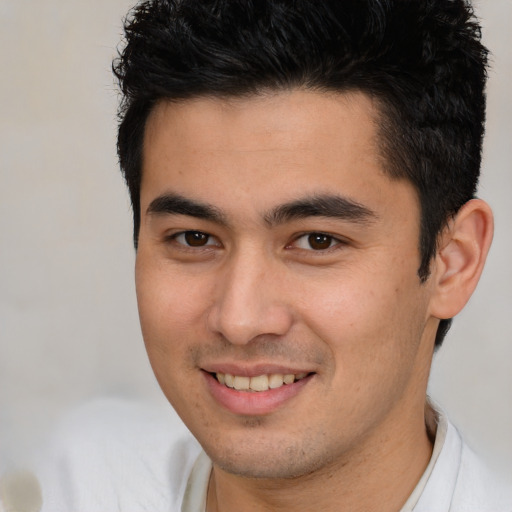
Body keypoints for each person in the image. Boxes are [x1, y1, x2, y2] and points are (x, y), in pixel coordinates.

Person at [34, 0, 512, 510]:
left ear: (452, 262)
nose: (239, 320)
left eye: (316, 241)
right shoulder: (75, 487)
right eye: (194, 238)